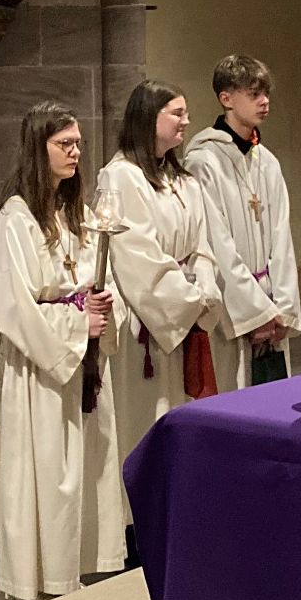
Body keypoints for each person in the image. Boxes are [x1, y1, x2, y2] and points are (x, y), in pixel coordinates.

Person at [0, 102, 124, 600]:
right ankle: (33, 581)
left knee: (87, 466)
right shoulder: (15, 219)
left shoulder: (80, 214)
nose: (75, 152)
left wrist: (108, 309)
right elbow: (14, 307)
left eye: (79, 143)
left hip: (85, 361)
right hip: (43, 369)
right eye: (64, 143)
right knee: (43, 470)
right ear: (36, 148)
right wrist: (75, 324)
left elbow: (103, 280)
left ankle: (77, 567)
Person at [98, 79, 223, 462]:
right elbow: (138, 256)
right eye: (178, 113)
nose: (187, 122)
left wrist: (204, 291)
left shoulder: (182, 179)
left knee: (179, 416)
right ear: (149, 118)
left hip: (183, 308)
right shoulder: (121, 177)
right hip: (147, 322)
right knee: (145, 420)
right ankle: (137, 514)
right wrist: (189, 299)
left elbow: (202, 246)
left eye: (187, 113)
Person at [185, 55, 300, 389]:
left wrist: (283, 308)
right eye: (254, 94)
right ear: (226, 99)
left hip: (271, 307)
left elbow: (282, 238)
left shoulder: (268, 162)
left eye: (265, 94)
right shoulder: (204, 162)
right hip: (234, 311)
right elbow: (216, 244)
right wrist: (257, 314)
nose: (264, 102)